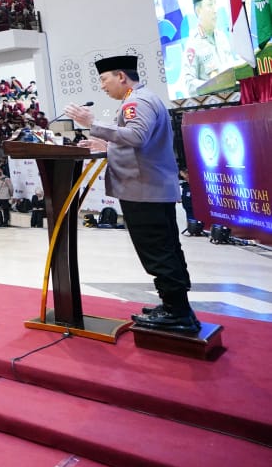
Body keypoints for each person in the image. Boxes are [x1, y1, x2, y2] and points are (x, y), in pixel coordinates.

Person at [64, 55, 198, 334]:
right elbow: (138, 144)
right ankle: (174, 305)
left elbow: (137, 136)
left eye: (104, 79)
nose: (102, 86)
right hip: (147, 187)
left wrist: (93, 123)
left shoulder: (136, 102)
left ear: (121, 77)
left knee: (158, 252)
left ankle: (178, 314)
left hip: (143, 190)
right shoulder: (140, 99)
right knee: (165, 248)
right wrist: (104, 142)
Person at [182, 0, 239, 96]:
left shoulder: (222, 37)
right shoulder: (193, 44)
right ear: (198, 11)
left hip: (233, 99)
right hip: (214, 107)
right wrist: (212, 85)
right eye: (210, 4)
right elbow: (189, 84)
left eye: (215, 3)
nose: (215, 9)